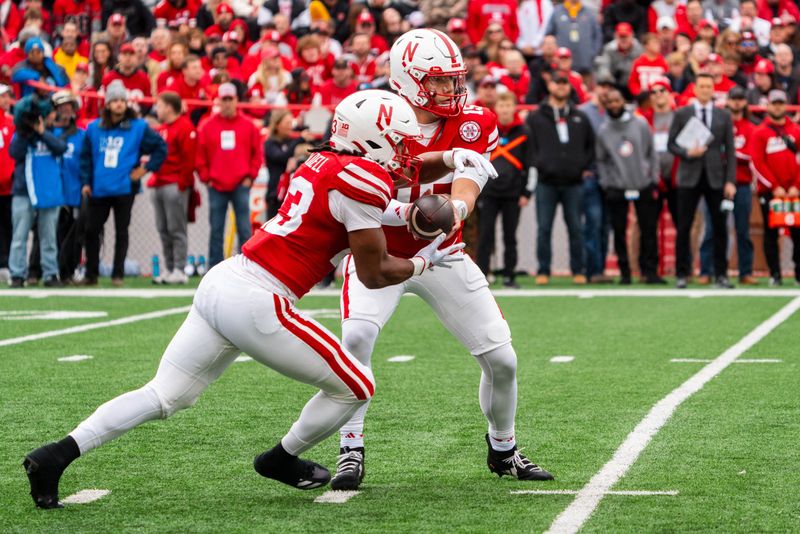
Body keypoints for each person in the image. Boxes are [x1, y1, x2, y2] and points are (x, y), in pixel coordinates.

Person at [22, 90, 465, 507]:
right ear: (373, 138)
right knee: (358, 386)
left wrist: (427, 187)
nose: (407, 153)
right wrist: (427, 261)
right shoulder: (362, 178)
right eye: (401, 143)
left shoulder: (323, 163)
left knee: (166, 395)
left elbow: (357, 210)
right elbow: (373, 273)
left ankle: (55, 455)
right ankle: (279, 458)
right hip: (259, 299)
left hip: (226, 280)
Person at [331, 29, 552, 492]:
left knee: (503, 360)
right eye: (439, 81)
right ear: (408, 81)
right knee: (355, 338)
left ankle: (504, 448)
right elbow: (350, 189)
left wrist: (458, 208)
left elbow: (470, 173)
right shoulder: (372, 116)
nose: (452, 90)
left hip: (442, 252)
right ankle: (350, 447)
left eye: (455, 80)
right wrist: (403, 214)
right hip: (379, 248)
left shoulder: (475, 121)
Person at [80, 80, 167, 286]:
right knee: (91, 230)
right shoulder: (94, 128)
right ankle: (91, 275)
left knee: (122, 231)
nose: (118, 104)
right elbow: (85, 158)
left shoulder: (138, 127)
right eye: (114, 100)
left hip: (124, 188)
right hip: (99, 188)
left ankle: (117, 274)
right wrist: (86, 181)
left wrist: (145, 169)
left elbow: (160, 147)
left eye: (122, 100)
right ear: (107, 104)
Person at [668, 73, 737, 289]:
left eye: (709, 86)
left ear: (713, 89)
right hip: (689, 176)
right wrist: (688, 152)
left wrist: (730, 180)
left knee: (719, 227)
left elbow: (731, 151)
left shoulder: (723, 115)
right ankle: (682, 273)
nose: (705, 90)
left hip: (716, 177)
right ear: (695, 89)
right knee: (684, 226)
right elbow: (672, 145)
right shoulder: (682, 113)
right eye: (702, 86)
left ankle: (721, 274)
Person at [527, 71, 594, 285]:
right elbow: (530, 146)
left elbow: (590, 146)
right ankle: (543, 270)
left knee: (576, 228)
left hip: (573, 182)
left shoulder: (580, 116)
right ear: (550, 86)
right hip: (546, 182)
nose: (561, 87)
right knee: (544, 228)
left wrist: (583, 166)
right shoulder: (536, 117)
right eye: (557, 83)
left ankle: (578, 270)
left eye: (565, 83)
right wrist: (539, 164)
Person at [595, 89, 663, 284]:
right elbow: (601, 160)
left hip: (643, 184)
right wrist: (607, 183)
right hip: (617, 187)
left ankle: (649, 272)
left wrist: (653, 178)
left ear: (624, 101)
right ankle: (625, 272)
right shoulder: (604, 130)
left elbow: (652, 153)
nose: (614, 104)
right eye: (610, 101)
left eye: (617, 100)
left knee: (648, 230)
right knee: (618, 231)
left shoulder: (640, 124)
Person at [195, 82, 261, 268]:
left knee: (244, 228)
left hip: (241, 183)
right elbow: (200, 156)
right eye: (223, 100)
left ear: (236, 100)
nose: (227, 103)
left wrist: (250, 176)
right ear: (219, 101)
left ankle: (247, 267)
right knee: (216, 229)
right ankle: (214, 268)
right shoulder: (207, 126)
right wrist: (206, 178)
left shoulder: (249, 126)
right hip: (216, 185)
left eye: (230, 99)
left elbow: (257, 153)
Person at [699, 87, 758, 285]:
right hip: (715, 183)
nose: (736, 103)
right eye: (733, 99)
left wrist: (730, 153)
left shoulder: (750, 128)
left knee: (742, 229)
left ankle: (745, 271)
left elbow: (750, 155)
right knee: (711, 229)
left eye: (740, 99)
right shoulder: (718, 124)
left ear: (745, 102)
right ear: (727, 101)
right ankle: (706, 271)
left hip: (741, 183)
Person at [8, 94, 67, 288]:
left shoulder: (53, 133)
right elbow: (14, 152)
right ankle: (17, 274)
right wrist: (27, 132)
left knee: (48, 236)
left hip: (48, 192)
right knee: (19, 236)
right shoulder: (22, 134)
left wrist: (42, 132)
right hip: (23, 191)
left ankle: (50, 274)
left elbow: (60, 148)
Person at [476, 92, 530, 288]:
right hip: (489, 193)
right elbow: (478, 160)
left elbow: (530, 165)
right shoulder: (488, 131)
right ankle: (481, 276)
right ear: (496, 108)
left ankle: (509, 275)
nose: (505, 110)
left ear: (514, 107)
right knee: (485, 235)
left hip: (513, 194)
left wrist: (527, 192)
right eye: (502, 106)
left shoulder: (524, 131)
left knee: (510, 236)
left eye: (509, 106)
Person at [749, 89, 800, 285]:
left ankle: (798, 273)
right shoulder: (760, 132)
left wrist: (796, 185)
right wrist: (774, 186)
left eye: (781, 103)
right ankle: (775, 274)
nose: (777, 106)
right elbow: (757, 162)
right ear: (768, 106)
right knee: (770, 233)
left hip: (794, 192)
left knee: (798, 232)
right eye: (774, 103)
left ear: (785, 105)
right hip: (770, 192)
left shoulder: (795, 130)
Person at [149, 92, 197, 284]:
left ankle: (179, 268)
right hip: (159, 182)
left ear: (169, 107)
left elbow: (189, 159)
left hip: (173, 183)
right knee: (163, 229)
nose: (156, 109)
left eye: (159, 106)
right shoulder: (161, 128)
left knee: (176, 228)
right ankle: (169, 269)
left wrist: (182, 184)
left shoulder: (185, 127)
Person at [51, 90, 87, 283]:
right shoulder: (47, 133)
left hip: (73, 192)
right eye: (61, 106)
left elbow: (86, 163)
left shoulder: (81, 135)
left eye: (69, 106)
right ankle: (50, 270)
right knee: (50, 235)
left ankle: (70, 270)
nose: (65, 110)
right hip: (51, 193)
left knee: (73, 236)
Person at [263, 109, 307, 220]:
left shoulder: (289, 142)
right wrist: (300, 139)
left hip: (290, 196)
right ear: (277, 125)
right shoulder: (270, 144)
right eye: (287, 123)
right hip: (275, 195)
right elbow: (282, 157)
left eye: (291, 123)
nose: (290, 126)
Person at [0, 84, 14, 284]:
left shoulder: (11, 124)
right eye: (2, 96)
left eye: (7, 96)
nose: (5, 100)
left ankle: (6, 264)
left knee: (9, 227)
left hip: (9, 186)